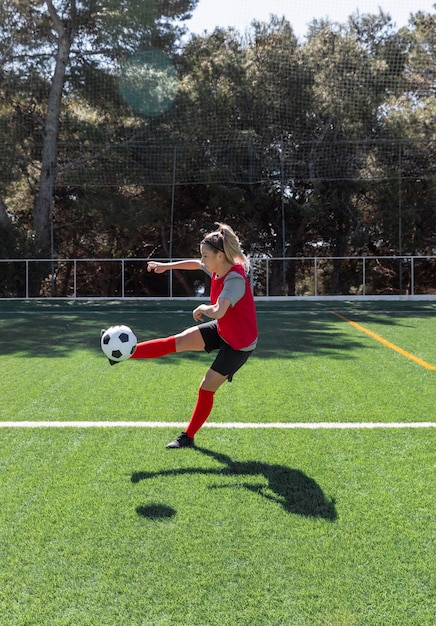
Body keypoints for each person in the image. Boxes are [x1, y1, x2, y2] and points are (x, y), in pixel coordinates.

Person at [129, 223, 257, 448]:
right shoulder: (218, 266)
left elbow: (218, 311)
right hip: (223, 330)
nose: (203, 260)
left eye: (206, 256)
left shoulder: (234, 280)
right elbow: (196, 265)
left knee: (206, 387)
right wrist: (166, 266)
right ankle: (126, 353)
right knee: (176, 342)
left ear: (219, 255)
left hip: (239, 344)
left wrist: (203, 307)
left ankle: (187, 437)